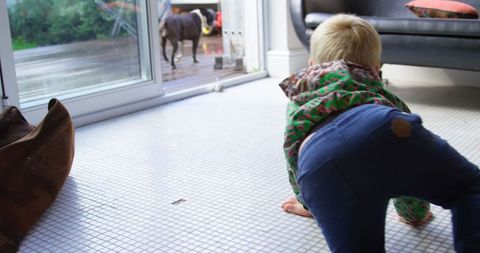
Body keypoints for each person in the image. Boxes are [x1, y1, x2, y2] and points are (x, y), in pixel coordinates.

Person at [279, 14, 480, 252]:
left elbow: (293, 157)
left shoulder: (298, 103)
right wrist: (413, 215)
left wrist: (311, 203)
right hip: (382, 125)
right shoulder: (386, 99)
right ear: (376, 69)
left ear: (311, 65)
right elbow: (411, 166)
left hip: (320, 161)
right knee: (468, 186)